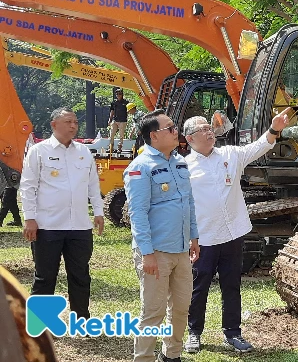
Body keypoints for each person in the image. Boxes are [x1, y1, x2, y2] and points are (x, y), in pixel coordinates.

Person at [183, 108, 290, 353]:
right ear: (190, 139)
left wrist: (274, 129)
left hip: (232, 234)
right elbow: (182, 206)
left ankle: (233, 333)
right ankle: (194, 332)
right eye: (203, 130)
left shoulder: (230, 154)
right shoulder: (184, 167)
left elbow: (259, 147)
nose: (209, 132)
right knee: (199, 287)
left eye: (210, 128)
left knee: (231, 286)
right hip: (204, 238)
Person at [124, 110, 201, 362]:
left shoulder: (179, 162)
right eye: (170, 128)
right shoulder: (140, 167)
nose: (175, 130)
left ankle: (171, 355)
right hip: (156, 251)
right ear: (154, 136)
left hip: (181, 249)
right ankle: (144, 357)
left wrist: (194, 238)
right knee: (153, 311)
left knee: (181, 308)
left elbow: (187, 202)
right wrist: (146, 253)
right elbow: (137, 213)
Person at [20, 107, 104, 320]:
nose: (73, 126)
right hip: (48, 225)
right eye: (68, 122)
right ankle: (40, 324)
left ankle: (81, 319)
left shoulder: (84, 152)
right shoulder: (39, 151)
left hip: (79, 226)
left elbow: (93, 184)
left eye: (75, 122)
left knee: (80, 275)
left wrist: (99, 212)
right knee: (45, 277)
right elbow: (28, 186)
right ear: (54, 125)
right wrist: (29, 218)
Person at [108, 88, 130, 153]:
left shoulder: (126, 102)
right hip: (115, 120)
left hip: (123, 121)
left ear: (122, 94)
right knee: (111, 134)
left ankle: (119, 148)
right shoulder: (114, 102)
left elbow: (129, 110)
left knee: (121, 135)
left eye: (120, 94)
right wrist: (110, 119)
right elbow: (112, 111)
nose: (118, 95)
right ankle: (111, 147)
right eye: (117, 94)